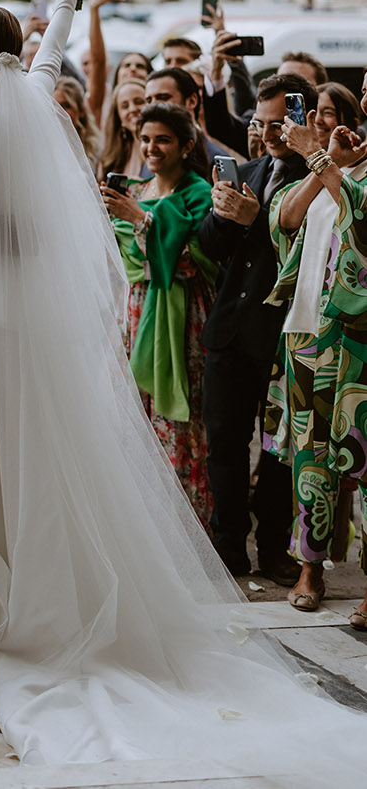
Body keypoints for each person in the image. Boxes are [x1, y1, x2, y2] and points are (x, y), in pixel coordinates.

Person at [0, 0, 367, 773]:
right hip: (22, 303)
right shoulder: (28, 100)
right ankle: (29, 571)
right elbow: (49, 56)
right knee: (33, 435)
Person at [194, 73, 313, 583]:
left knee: (277, 451)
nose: (264, 133)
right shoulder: (245, 169)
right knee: (223, 443)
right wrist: (225, 218)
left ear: (297, 120)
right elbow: (208, 246)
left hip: (281, 333)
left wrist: (256, 218)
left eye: (275, 124)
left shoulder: (318, 179)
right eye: (257, 123)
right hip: (228, 332)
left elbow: (303, 255)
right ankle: (228, 550)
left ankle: (273, 549)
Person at [268, 115, 367, 619]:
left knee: (365, 461)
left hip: (361, 337)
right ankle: (310, 567)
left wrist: (321, 160)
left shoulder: (343, 173)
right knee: (311, 459)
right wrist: (324, 164)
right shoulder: (341, 166)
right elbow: (283, 220)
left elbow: (364, 215)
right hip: (308, 329)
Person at [103, 104, 219, 523]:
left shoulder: (199, 193)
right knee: (136, 418)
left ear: (187, 145)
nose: (152, 147)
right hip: (134, 313)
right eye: (146, 138)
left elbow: (193, 261)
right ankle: (143, 525)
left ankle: (186, 523)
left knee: (181, 422)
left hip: (182, 316)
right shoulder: (135, 190)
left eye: (163, 139)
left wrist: (141, 221)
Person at [97, 77, 148, 181]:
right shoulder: (112, 158)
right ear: (119, 117)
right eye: (125, 106)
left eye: (139, 102)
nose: (132, 109)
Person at [52, 75, 98, 168]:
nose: (59, 112)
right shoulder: (44, 146)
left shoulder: (96, 150)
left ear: (81, 111)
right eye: (53, 106)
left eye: (66, 105)